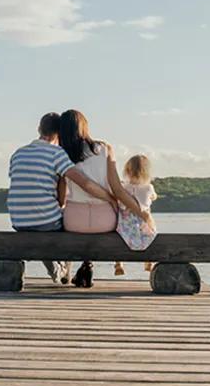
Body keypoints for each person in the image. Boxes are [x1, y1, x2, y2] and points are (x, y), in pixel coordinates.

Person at [7, 112, 117, 284]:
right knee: (64, 222)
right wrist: (109, 197)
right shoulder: (56, 154)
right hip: (46, 221)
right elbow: (84, 183)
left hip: (19, 220)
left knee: (47, 221)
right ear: (59, 133)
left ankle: (59, 270)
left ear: (39, 129)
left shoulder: (18, 154)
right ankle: (63, 271)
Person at [58, 109, 150, 287]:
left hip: (74, 220)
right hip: (104, 219)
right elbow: (118, 189)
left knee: (68, 221)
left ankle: (79, 266)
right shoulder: (104, 149)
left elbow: (61, 198)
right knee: (99, 226)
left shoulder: (60, 154)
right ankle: (87, 264)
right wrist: (142, 214)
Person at [114, 154, 159, 275]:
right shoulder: (148, 188)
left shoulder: (124, 187)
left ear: (127, 171)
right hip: (143, 223)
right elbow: (152, 198)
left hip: (126, 224)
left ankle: (119, 263)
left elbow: (121, 205)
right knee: (150, 235)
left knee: (119, 240)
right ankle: (148, 261)